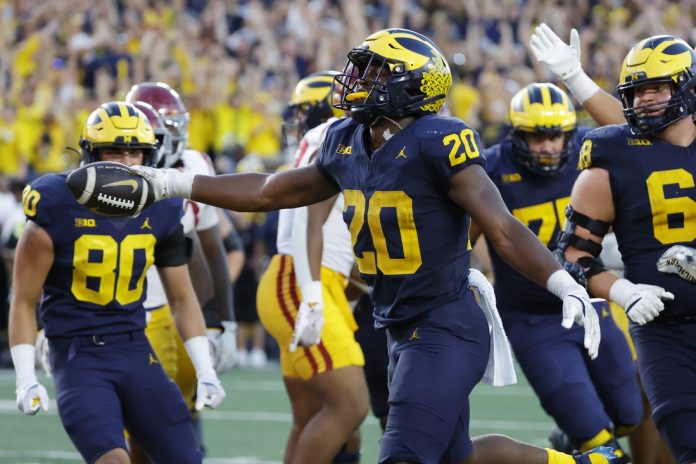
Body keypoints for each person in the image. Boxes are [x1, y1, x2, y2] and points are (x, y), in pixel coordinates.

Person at [119, 28, 617, 464]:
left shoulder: (440, 139)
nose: (358, 79)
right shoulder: (347, 138)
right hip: (397, 322)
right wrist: (172, 183)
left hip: (444, 323)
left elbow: (502, 227)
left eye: (375, 71)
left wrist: (560, 282)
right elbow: (270, 190)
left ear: (412, 84)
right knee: (457, 457)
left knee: (403, 455)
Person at [9, 101, 225, 464]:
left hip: (135, 348)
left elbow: (182, 297)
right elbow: (24, 300)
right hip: (78, 354)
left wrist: (205, 369)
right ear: (90, 154)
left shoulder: (163, 206)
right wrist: (25, 376)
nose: (126, 162)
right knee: (113, 460)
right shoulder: (56, 202)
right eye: (114, 151)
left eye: (135, 152)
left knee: (186, 458)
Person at [530, 25, 681, 464]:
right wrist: (576, 79)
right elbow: (639, 133)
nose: (645, 101)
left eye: (657, 88)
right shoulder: (630, 146)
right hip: (655, 301)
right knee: (656, 406)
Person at [470, 82, 643, 458]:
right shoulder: (492, 169)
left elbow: (638, 135)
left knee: (631, 415)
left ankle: (568, 440)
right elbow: (464, 237)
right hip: (534, 319)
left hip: (589, 306)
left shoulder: (588, 149)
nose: (548, 146)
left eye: (556, 136)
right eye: (537, 136)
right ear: (518, 134)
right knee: (598, 441)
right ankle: (582, 438)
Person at [256, 70, 369, 464]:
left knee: (316, 419)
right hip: (301, 279)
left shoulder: (339, 137)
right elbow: (308, 220)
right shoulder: (331, 135)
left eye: (303, 112)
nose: (298, 121)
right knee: (350, 405)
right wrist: (313, 296)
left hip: (313, 279)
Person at [125, 82, 237, 456]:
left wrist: (222, 323)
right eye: (165, 126)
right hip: (134, 314)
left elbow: (209, 249)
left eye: (175, 125)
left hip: (182, 310)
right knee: (143, 428)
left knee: (183, 417)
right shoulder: (111, 179)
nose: (173, 135)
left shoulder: (194, 164)